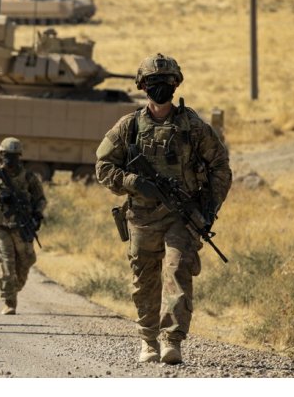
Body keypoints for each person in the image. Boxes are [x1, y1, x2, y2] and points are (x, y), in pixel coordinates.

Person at [96, 53, 232, 365]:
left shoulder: (193, 127)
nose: (160, 87)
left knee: (177, 271)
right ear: (143, 86)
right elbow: (103, 166)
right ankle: (148, 340)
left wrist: (209, 208)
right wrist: (131, 181)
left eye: (166, 81)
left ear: (176, 84)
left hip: (181, 217)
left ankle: (172, 340)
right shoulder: (129, 126)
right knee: (144, 280)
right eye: (154, 82)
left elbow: (220, 167)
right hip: (142, 217)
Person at [0, 137, 46, 315]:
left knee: (26, 262)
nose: (10, 159)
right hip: (1, 227)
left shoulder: (29, 177)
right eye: (7, 155)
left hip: (22, 227)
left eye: (14, 156)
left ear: (19, 156)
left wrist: (38, 214)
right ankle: (9, 302)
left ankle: (11, 287)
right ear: (1, 155)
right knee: (8, 264)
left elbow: (40, 199)